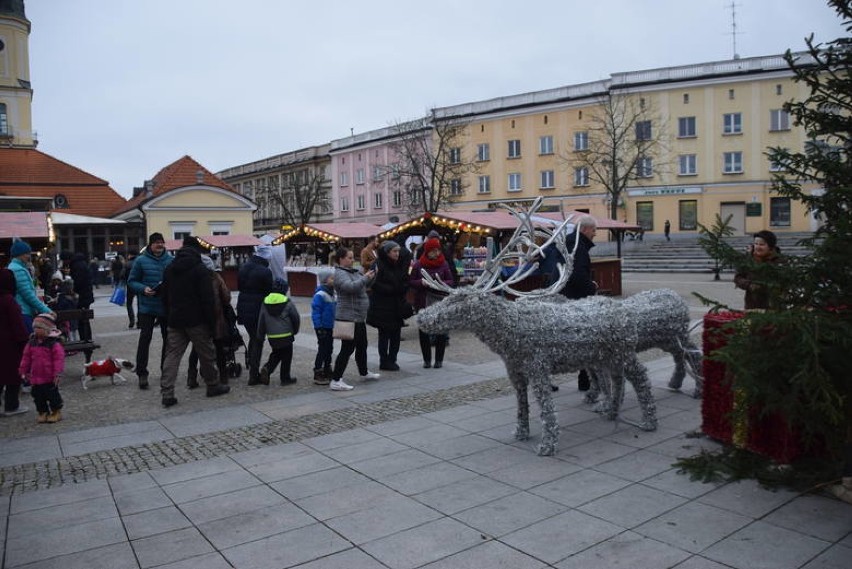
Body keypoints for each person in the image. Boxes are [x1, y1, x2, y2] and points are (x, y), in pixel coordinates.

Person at [159, 236, 230, 407]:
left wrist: (170, 314)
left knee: (172, 355)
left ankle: (167, 393)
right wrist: (212, 323)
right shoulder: (200, 270)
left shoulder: (170, 268)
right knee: (206, 354)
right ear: (197, 250)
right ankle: (212, 385)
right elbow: (208, 300)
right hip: (197, 320)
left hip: (176, 319)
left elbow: (164, 296)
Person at [127, 233, 174, 390]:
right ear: (150, 245)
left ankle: (165, 371)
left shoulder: (170, 260)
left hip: (165, 306)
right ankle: (142, 373)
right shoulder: (141, 260)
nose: (159, 245)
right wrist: (143, 289)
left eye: (161, 242)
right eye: (156, 243)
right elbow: (132, 281)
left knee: (168, 340)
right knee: (145, 339)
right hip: (147, 306)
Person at [330, 247, 380, 391]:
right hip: (348, 317)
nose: (353, 260)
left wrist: (373, 275)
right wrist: (365, 278)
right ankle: (336, 379)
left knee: (362, 345)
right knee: (347, 349)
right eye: (349, 258)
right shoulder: (340, 273)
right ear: (341, 259)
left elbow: (365, 285)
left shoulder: (354, 271)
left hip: (358, 316)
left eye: (353, 258)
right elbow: (350, 287)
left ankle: (364, 372)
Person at [561, 214, 598, 391]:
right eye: (593, 230)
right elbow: (577, 275)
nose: (595, 234)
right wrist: (592, 286)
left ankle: (585, 379)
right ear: (584, 229)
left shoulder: (570, 242)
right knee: (584, 340)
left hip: (566, 298)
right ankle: (586, 380)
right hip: (574, 301)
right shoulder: (578, 246)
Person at [187, 254, 232, 389]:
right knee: (218, 348)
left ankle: (192, 377)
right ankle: (223, 377)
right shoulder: (216, 278)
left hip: (198, 318)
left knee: (196, 348)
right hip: (215, 317)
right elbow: (226, 297)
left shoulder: (191, 279)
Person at [409, 237, 454, 368]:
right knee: (424, 331)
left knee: (441, 330)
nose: (436, 253)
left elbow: (451, 281)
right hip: (423, 301)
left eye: (438, 250)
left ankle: (439, 359)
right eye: (433, 251)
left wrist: (440, 283)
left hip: (439, 301)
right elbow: (411, 281)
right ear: (427, 251)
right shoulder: (418, 264)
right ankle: (426, 360)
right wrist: (421, 282)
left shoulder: (443, 263)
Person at [367, 240, 410, 371]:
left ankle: (393, 359)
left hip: (396, 306)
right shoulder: (377, 264)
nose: (397, 254)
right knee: (384, 335)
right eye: (394, 251)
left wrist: (402, 287)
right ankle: (384, 361)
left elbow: (404, 280)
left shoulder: (398, 264)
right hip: (382, 306)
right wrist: (391, 289)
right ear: (387, 252)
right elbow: (373, 283)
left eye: (398, 251)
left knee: (396, 335)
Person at [237, 244, 274, 385]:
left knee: (254, 338)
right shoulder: (265, 271)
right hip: (258, 309)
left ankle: (251, 364)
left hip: (243, 307)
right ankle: (253, 374)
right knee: (258, 340)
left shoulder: (243, 267)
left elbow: (239, 287)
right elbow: (269, 292)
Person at [19, 313, 65, 423]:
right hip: (35, 376)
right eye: (34, 327)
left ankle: (56, 411)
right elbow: (26, 357)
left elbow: (58, 359)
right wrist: (23, 370)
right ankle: (42, 411)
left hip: (49, 376)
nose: (36, 330)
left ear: (47, 329)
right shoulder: (31, 343)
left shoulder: (53, 344)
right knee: (38, 396)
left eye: (39, 327)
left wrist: (57, 373)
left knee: (52, 395)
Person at [257, 279, 301, 385]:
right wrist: (295, 330)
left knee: (277, 353)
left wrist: (260, 334)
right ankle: (285, 378)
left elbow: (261, 319)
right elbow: (295, 317)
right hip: (286, 334)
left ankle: (267, 368)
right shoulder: (287, 301)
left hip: (272, 335)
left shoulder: (265, 301)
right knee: (286, 356)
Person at [0, 268, 30, 416]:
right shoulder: (8, 300)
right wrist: (25, 341)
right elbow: (17, 325)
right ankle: (12, 406)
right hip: (10, 345)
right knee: (13, 375)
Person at [8, 239, 53, 333]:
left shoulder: (15, 268)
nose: (29, 256)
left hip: (21, 311)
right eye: (27, 253)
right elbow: (28, 295)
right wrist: (46, 310)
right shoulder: (18, 270)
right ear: (20, 254)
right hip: (23, 312)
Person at [734, 230, 781, 310]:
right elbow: (738, 278)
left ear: (770, 246)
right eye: (756, 244)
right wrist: (749, 285)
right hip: (752, 305)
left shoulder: (779, 261)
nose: (758, 247)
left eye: (762, 244)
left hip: (773, 307)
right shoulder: (748, 260)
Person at [311, 268, 336, 385]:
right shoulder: (320, 294)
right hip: (322, 327)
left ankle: (327, 367)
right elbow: (316, 312)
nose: (334, 280)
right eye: (332, 278)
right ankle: (318, 370)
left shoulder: (333, 293)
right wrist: (318, 326)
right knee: (322, 349)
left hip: (330, 326)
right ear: (325, 280)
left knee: (329, 348)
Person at [68, 251, 95, 344]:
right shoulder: (83, 264)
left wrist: (74, 290)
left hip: (82, 296)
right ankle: (86, 337)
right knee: (84, 318)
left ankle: (85, 337)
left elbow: (78, 281)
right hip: (86, 294)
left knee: (82, 318)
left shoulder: (76, 266)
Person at [122, 249, 139, 328]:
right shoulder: (140, 262)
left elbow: (122, 275)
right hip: (139, 286)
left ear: (130, 255)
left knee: (129, 304)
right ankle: (140, 321)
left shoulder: (127, 264)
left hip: (130, 286)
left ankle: (131, 321)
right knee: (140, 304)